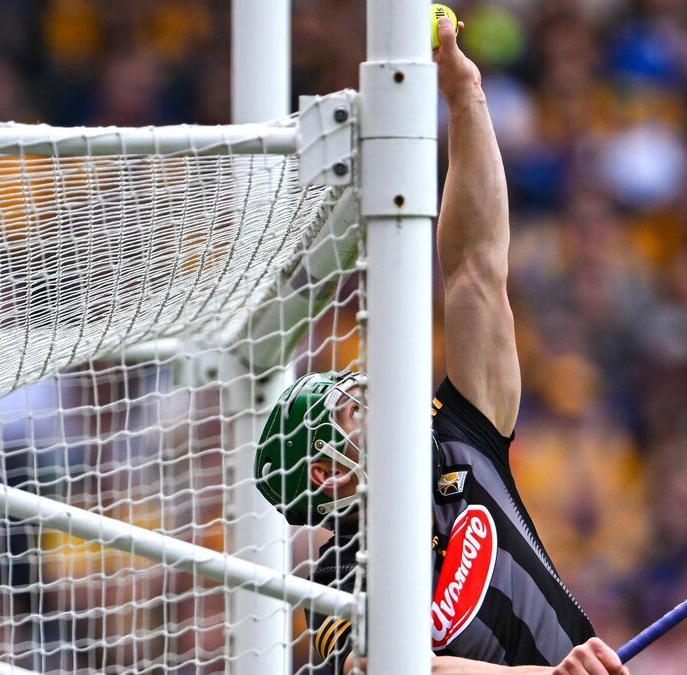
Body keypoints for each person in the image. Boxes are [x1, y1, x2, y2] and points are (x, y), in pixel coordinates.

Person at [254, 17, 629, 675]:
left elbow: (476, 268)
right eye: (352, 412)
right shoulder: (336, 580)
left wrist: (465, 98)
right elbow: (401, 669)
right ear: (326, 473)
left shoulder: (458, 440)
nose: (375, 402)